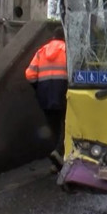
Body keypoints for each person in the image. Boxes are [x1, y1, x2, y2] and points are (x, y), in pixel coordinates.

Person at [25, 26, 68, 171]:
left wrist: (38, 88)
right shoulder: (66, 50)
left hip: (44, 95)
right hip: (63, 93)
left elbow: (30, 74)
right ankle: (59, 152)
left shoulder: (41, 51)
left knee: (54, 127)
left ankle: (56, 163)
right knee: (68, 125)